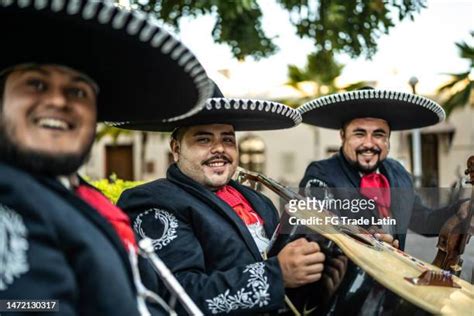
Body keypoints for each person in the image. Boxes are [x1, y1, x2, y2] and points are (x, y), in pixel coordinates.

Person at [0, 0, 212, 315]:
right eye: (36, 84)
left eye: (78, 92)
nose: (58, 100)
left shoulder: (84, 197)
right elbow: (24, 304)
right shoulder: (9, 192)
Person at [116, 84, 328, 315]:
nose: (219, 149)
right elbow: (177, 296)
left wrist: (319, 281)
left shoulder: (261, 201)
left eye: (228, 140)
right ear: (176, 149)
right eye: (204, 140)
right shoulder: (152, 202)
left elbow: (283, 289)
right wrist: (276, 274)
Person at [298, 88, 470, 250]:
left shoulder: (398, 172)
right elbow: (322, 236)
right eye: (359, 134)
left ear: (388, 139)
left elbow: (423, 220)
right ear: (343, 136)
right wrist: (367, 243)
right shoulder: (320, 176)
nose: (369, 144)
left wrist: (461, 210)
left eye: (379, 135)